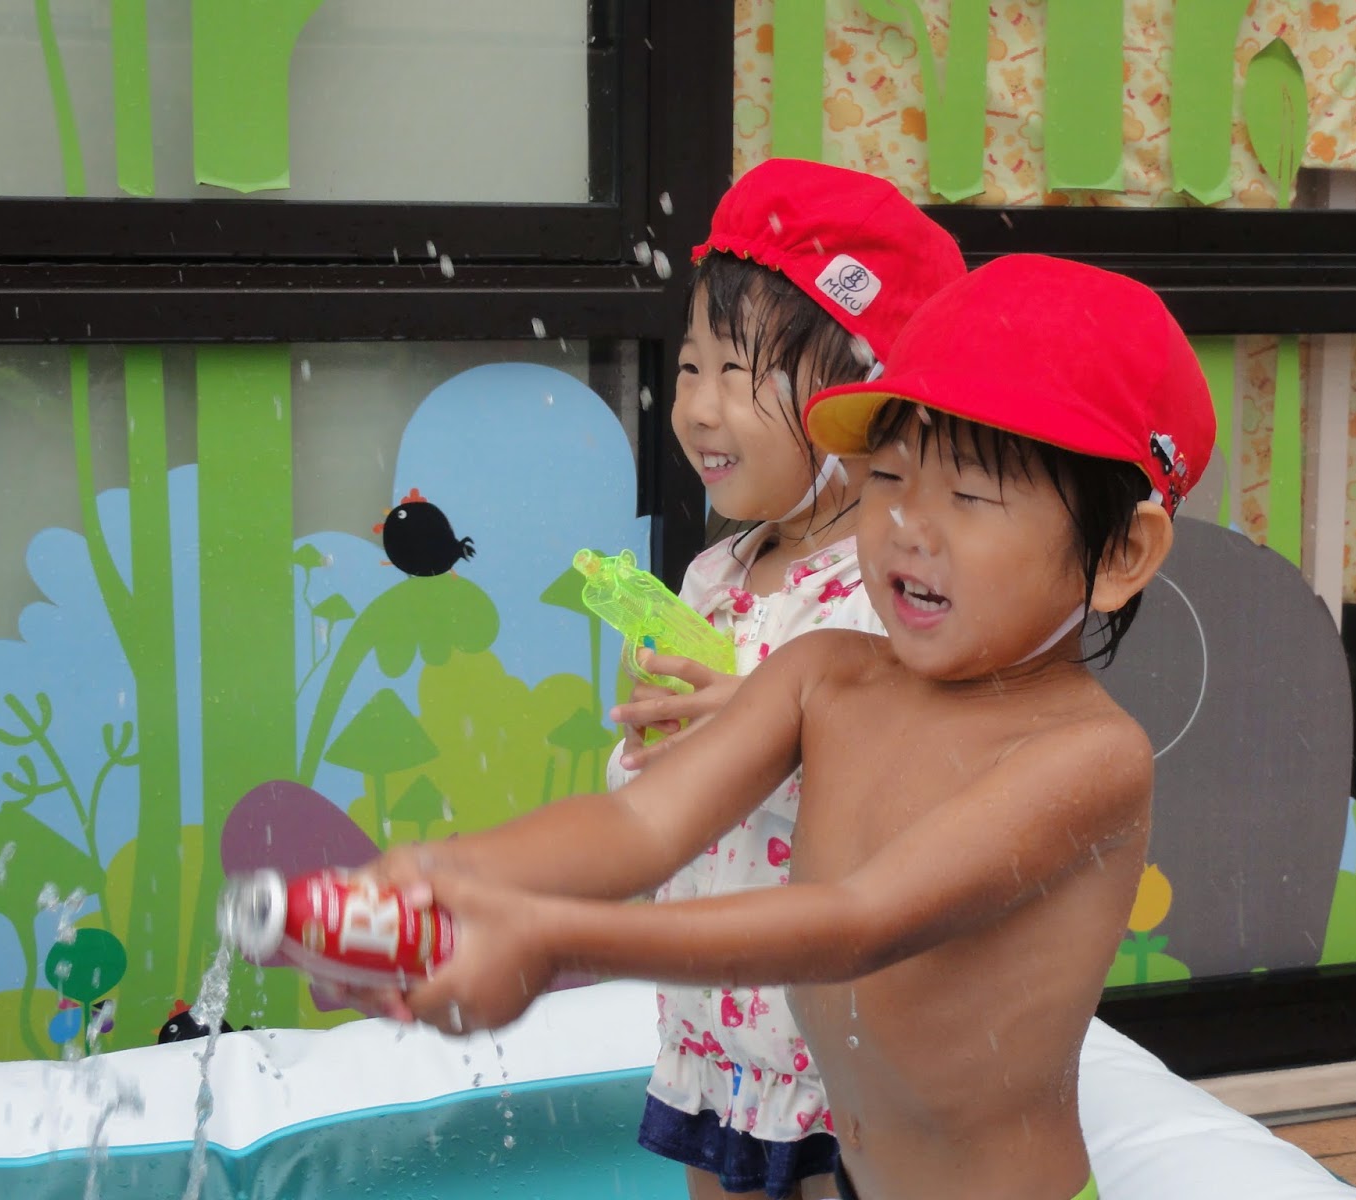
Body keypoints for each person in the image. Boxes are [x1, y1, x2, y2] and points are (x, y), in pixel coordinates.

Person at [353, 254, 1215, 1200]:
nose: (908, 524)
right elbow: (643, 824)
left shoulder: (1089, 758)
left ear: (1120, 552)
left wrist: (551, 940)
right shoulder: (824, 674)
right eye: (889, 475)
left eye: (969, 496)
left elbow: (856, 923)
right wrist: (458, 873)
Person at [343, 157, 963, 1200]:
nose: (699, 409)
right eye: (688, 368)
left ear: (864, 402)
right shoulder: (714, 577)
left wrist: (773, 737)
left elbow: (923, 799)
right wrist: (652, 749)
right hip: (715, 1033)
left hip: (833, 1051)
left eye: (740, 374)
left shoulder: (887, 593)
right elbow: (652, 809)